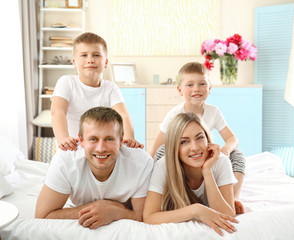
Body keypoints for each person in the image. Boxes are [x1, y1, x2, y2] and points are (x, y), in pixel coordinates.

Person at [35, 107, 154, 229]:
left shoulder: (141, 163)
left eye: (109, 139)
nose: (101, 148)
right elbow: (42, 216)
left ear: (121, 140)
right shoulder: (65, 161)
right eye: (93, 139)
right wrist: (99, 206)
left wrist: (116, 212)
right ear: (80, 140)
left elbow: (144, 216)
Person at [149, 62, 245, 210]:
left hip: (204, 156)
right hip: (182, 163)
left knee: (237, 155)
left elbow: (232, 139)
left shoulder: (213, 112)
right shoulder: (173, 115)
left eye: (202, 84)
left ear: (209, 88)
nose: (196, 89)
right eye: (190, 85)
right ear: (179, 89)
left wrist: (225, 152)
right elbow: (155, 150)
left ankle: (233, 197)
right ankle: (173, 193)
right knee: (162, 151)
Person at [143, 112, 238, 236]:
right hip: (170, 158)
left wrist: (207, 171)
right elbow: (149, 217)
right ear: (175, 146)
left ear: (207, 139)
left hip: (219, 162)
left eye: (200, 138)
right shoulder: (162, 166)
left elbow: (227, 215)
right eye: (184, 142)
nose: (195, 147)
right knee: (160, 152)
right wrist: (196, 210)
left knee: (238, 155)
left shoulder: (221, 162)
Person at [51, 32, 142, 151]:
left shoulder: (111, 88)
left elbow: (123, 116)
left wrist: (129, 139)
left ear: (106, 63)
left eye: (96, 55)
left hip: (101, 149)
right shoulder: (66, 83)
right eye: (84, 55)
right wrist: (64, 139)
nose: (90, 60)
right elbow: (57, 112)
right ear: (74, 62)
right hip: (73, 148)